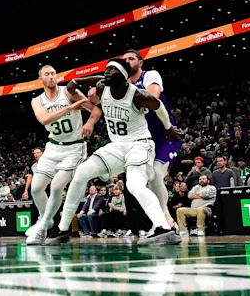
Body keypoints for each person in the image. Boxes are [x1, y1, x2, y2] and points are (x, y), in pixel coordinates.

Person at [44, 57, 183, 245]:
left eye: (111, 69)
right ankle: (62, 229)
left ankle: (163, 228)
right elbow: (96, 79)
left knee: (134, 185)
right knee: (81, 172)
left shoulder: (138, 96)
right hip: (117, 146)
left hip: (139, 145)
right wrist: (76, 80)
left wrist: (168, 127)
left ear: (123, 76)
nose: (107, 72)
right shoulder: (103, 87)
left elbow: (158, 107)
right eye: (106, 69)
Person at [25, 65, 101, 243]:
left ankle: (43, 226)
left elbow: (95, 109)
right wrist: (70, 107)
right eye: (47, 74)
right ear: (40, 79)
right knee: (36, 188)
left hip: (74, 147)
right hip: (53, 147)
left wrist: (90, 122)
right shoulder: (37, 100)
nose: (51, 76)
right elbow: (44, 119)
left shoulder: (69, 92)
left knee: (57, 186)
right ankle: (46, 218)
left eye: (53, 73)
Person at [124, 50, 181, 227]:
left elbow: (151, 98)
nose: (127, 61)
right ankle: (163, 220)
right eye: (124, 60)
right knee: (146, 182)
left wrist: (121, 96)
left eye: (131, 59)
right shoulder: (121, 85)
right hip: (142, 140)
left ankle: (165, 219)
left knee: (156, 175)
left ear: (140, 62)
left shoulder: (150, 75)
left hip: (166, 136)